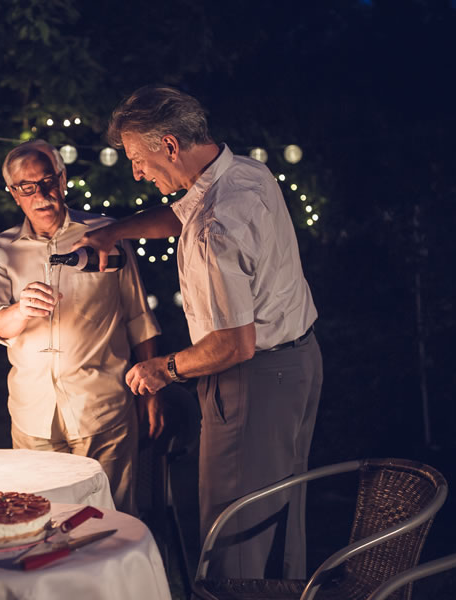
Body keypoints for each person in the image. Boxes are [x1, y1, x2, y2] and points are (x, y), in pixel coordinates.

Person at [73, 85, 323, 579]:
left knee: (233, 529)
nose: (136, 172)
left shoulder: (216, 227)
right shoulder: (245, 172)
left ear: (169, 145)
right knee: (279, 513)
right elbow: (178, 215)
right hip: (300, 362)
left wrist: (162, 368)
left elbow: (234, 343)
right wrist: (115, 231)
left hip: (250, 378)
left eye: (137, 159)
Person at [0, 140, 164, 515]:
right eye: (27, 187)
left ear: (62, 180)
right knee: (40, 522)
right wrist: (21, 309)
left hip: (104, 409)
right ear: (15, 194)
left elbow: (139, 316)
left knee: (112, 521)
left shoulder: (107, 233)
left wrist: (152, 394)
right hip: (33, 418)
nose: (41, 194)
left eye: (47, 181)